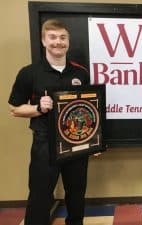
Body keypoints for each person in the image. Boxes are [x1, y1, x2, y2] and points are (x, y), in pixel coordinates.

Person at [8, 19, 90, 225]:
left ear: (68, 42)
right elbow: (15, 108)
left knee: (77, 193)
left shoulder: (80, 72)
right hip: (45, 144)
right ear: (44, 41)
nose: (58, 42)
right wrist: (38, 108)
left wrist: (93, 137)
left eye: (63, 37)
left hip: (76, 144)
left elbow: (88, 109)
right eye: (52, 37)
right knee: (40, 195)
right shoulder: (29, 73)